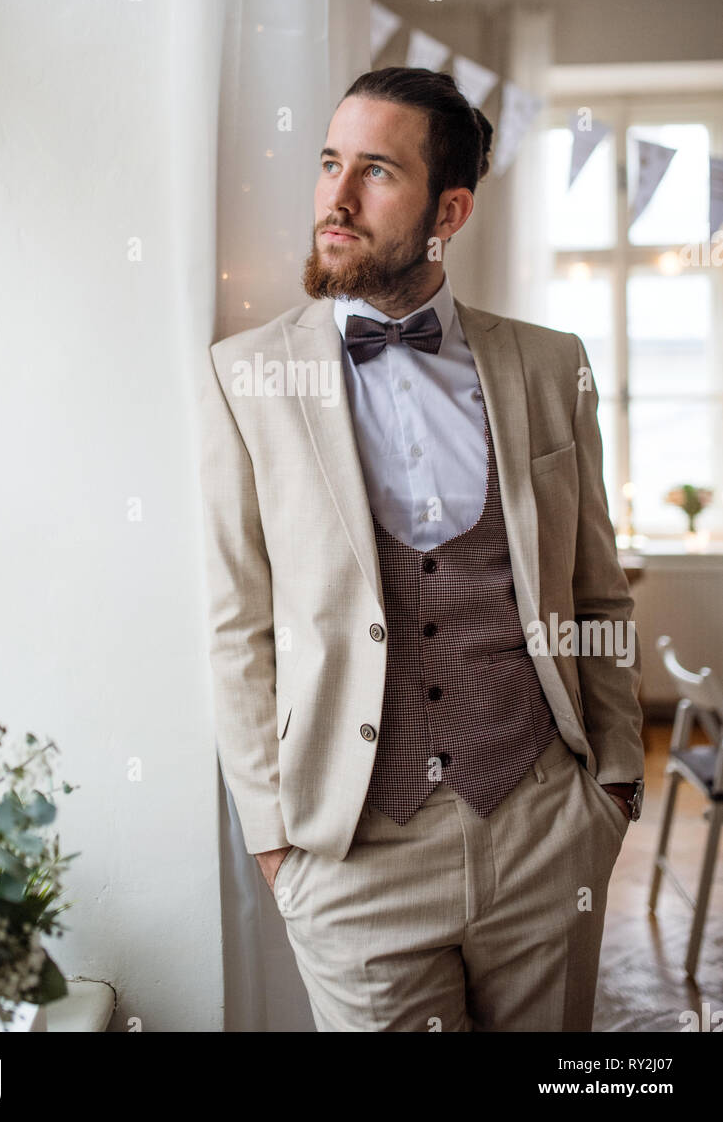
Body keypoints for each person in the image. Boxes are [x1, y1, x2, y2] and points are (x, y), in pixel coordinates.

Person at [198, 66, 645, 1032]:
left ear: (449, 208)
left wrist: (611, 779)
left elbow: (596, 590)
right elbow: (238, 629)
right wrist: (278, 845)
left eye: (375, 173)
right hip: (352, 861)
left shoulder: (547, 364)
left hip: (539, 833)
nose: (336, 198)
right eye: (327, 165)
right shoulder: (245, 379)